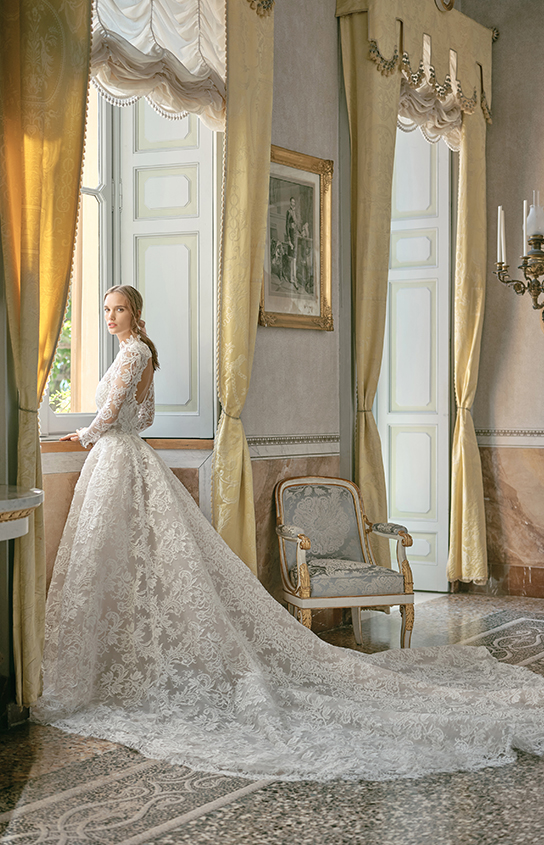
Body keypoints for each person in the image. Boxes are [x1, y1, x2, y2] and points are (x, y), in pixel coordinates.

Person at [33, 285, 544, 782]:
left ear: (134, 313)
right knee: (136, 565)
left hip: (116, 458)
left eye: (118, 309)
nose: (109, 316)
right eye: (105, 309)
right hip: (127, 457)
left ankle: (120, 666)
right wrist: (109, 430)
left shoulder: (132, 354)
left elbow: (114, 412)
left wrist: (87, 433)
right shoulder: (140, 352)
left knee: (131, 563)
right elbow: (144, 417)